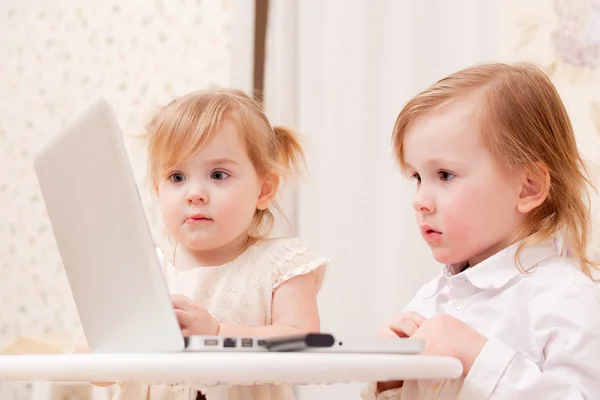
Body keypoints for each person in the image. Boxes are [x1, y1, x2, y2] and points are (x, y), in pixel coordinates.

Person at [364, 62, 600, 399]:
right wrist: (388, 380)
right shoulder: (431, 298)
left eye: (445, 175)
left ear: (527, 187)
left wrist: (478, 356)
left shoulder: (565, 296)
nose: (420, 201)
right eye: (417, 177)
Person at [76, 89, 329, 400]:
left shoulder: (280, 264)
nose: (194, 193)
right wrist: (103, 345)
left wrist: (218, 335)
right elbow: (94, 371)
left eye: (218, 174)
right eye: (177, 177)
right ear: (158, 190)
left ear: (264, 189)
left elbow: (305, 347)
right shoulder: (145, 270)